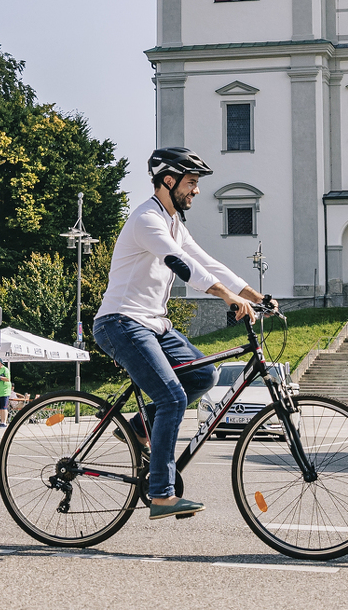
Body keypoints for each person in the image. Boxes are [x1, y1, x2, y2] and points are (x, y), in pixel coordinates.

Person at [92, 147, 269, 521]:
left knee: (205, 373)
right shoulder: (147, 220)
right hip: (121, 322)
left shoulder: (173, 221)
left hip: (154, 324)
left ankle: (139, 426)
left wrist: (253, 294)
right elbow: (181, 264)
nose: (197, 191)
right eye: (192, 183)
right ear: (168, 181)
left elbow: (206, 260)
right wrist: (226, 297)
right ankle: (161, 494)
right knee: (172, 397)